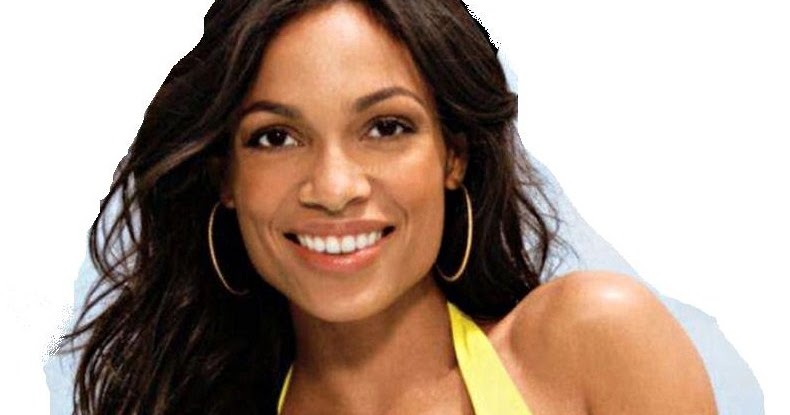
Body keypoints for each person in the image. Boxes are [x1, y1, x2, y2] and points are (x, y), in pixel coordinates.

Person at [60, 0, 717, 414]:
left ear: (453, 155)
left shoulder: (593, 345)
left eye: (385, 127)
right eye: (276, 137)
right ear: (225, 178)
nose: (334, 187)